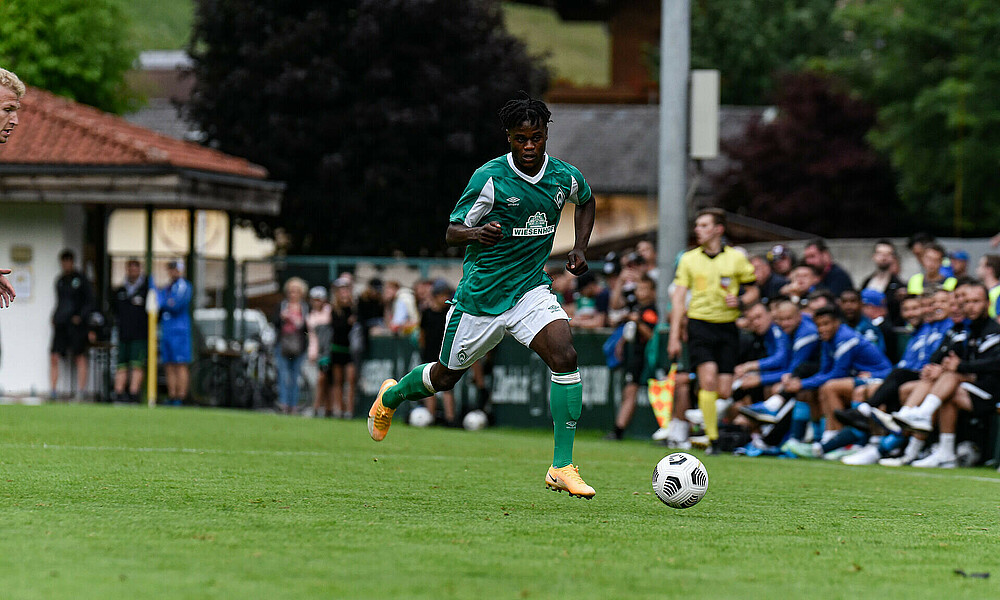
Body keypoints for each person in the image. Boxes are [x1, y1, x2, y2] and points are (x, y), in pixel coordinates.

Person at [367, 93, 599, 498]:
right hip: (481, 298)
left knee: (566, 355)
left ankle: (562, 465)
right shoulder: (489, 178)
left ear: (546, 135)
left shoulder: (564, 176)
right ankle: (393, 394)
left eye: (537, 137)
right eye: (520, 138)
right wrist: (475, 233)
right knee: (444, 377)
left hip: (530, 289)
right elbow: (452, 230)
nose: (529, 146)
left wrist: (579, 247)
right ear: (508, 138)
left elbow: (586, 200)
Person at [669, 208, 759, 451]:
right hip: (700, 325)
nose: (698, 229)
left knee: (724, 389)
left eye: (704, 225)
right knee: (707, 380)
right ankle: (713, 439)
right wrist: (674, 336)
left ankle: (704, 417)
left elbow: (753, 290)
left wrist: (741, 301)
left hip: (728, 327)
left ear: (718, 229)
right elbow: (678, 299)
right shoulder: (688, 259)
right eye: (697, 225)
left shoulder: (736, 258)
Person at [893, 283, 1000, 467]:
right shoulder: (967, 329)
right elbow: (943, 357)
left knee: (949, 379)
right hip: (970, 387)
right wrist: (946, 367)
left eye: (976, 301)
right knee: (915, 387)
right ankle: (942, 450)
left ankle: (917, 426)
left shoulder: (993, 330)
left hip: (991, 392)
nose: (970, 306)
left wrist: (960, 366)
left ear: (987, 303)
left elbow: (995, 365)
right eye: (967, 302)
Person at [781, 305, 892, 458]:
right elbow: (824, 371)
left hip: (880, 377)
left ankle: (842, 442)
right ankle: (825, 438)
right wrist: (803, 384)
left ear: (836, 323)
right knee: (814, 391)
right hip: (858, 378)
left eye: (826, 324)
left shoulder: (846, 338)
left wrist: (802, 383)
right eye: (818, 325)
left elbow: (837, 374)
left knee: (830, 387)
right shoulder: (827, 340)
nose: (821, 329)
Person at [606, 274, 658, 440]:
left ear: (653, 292)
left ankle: (619, 430)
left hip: (644, 357)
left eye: (644, 289)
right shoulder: (637, 308)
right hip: (633, 355)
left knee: (632, 391)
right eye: (639, 289)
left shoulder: (650, 311)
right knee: (628, 391)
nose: (640, 292)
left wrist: (637, 322)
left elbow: (651, 335)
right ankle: (618, 429)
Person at [50, 249, 95, 400]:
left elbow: (90, 302)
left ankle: (81, 392)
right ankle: (53, 391)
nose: (65, 265)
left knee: (79, 356)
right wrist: (55, 316)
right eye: (63, 262)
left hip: (76, 326)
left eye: (68, 261)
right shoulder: (60, 281)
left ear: (72, 262)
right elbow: (60, 302)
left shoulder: (81, 280)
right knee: (54, 356)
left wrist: (80, 317)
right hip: (61, 324)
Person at [111, 259, 150, 403]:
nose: (132, 271)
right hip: (123, 335)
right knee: (121, 365)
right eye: (130, 268)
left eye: (135, 268)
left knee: (137, 364)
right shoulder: (120, 291)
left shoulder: (146, 290)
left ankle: (134, 395)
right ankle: (119, 394)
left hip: (139, 335)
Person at [419, 280, 456, 425]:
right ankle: (430, 416)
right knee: (429, 387)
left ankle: (450, 418)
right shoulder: (427, 313)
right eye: (443, 295)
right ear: (435, 296)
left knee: (447, 386)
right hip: (429, 354)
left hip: (444, 355)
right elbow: (422, 335)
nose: (445, 298)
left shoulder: (448, 313)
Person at [273, 277, 309, 414]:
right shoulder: (281, 305)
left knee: (295, 376)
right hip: (283, 345)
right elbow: (274, 323)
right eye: (291, 291)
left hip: (299, 346)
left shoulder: (305, 308)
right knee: (283, 374)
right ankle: (283, 404)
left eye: (296, 291)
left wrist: (300, 322)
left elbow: (308, 328)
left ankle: (293, 405)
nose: (293, 294)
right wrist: (282, 317)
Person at [159, 260, 192, 406]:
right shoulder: (168, 287)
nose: (172, 272)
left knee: (180, 364)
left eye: (174, 269)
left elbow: (175, 305)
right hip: (167, 330)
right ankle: (172, 396)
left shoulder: (183, 286)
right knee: (169, 364)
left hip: (179, 331)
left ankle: (181, 396)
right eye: (170, 269)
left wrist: (164, 303)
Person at [327, 277, 357, 419]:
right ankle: (338, 408)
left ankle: (349, 410)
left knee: (350, 379)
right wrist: (348, 323)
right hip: (337, 348)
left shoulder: (354, 309)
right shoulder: (334, 310)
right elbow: (338, 328)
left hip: (350, 349)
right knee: (337, 380)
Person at [860, 239, 906, 326]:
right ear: (874, 256)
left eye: (888, 254)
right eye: (880, 253)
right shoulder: (867, 282)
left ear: (893, 257)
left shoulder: (899, 286)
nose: (884, 257)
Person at [306, 286, 333, 417]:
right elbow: (313, 338)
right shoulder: (311, 316)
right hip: (320, 353)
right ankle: (321, 407)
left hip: (330, 350)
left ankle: (320, 407)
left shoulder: (330, 312)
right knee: (322, 380)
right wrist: (312, 353)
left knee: (325, 380)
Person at [975, 254, 1000, 319]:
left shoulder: (998, 291)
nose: (977, 269)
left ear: (989, 269)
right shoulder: (981, 289)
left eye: (980, 266)